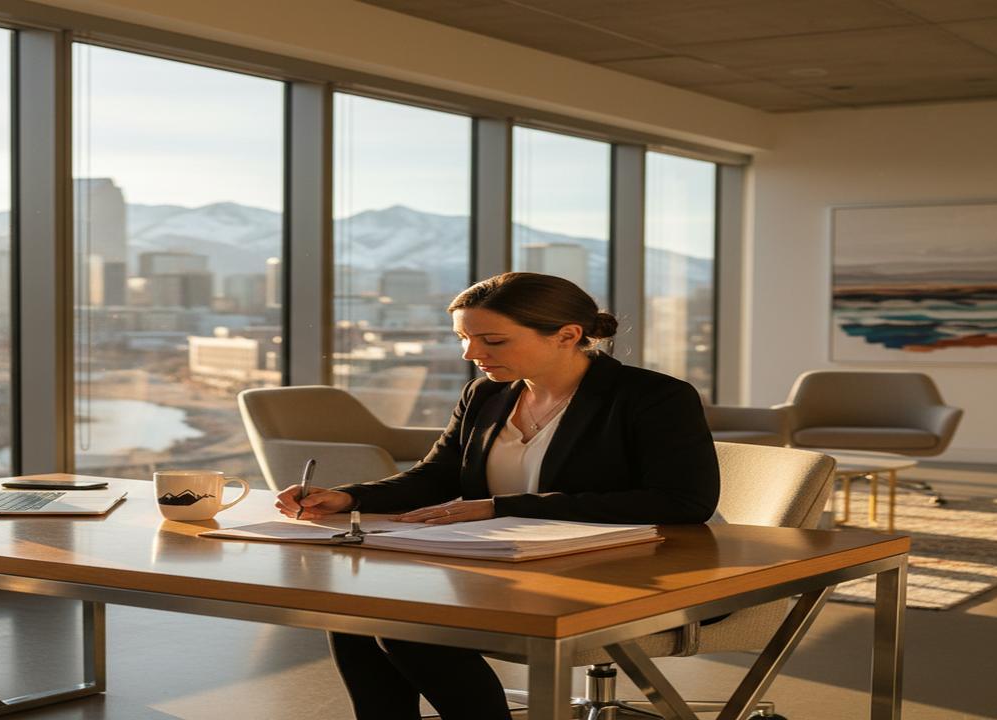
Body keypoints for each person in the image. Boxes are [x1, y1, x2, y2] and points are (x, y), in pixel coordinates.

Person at [275, 272, 719, 720]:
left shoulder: (654, 398)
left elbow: (682, 501)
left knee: (407, 627)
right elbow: (437, 477)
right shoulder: (485, 394)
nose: (472, 354)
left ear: (567, 336)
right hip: (510, 569)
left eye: (492, 340)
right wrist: (348, 498)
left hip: (632, 576)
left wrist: (501, 507)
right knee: (356, 614)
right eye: (463, 338)